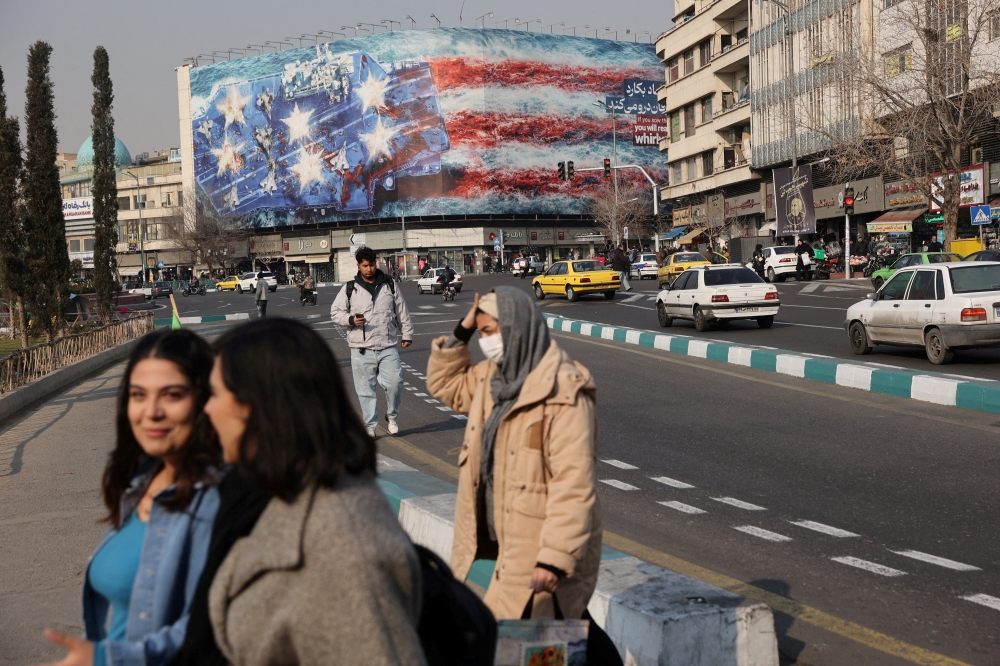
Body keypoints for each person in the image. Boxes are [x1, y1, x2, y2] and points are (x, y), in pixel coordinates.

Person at [205, 319, 426, 666]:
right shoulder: (276, 496)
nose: (206, 410)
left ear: (262, 406)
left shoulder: (344, 550)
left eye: (215, 395)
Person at [38, 330, 222, 666]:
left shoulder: (216, 500)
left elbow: (213, 626)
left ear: (204, 399)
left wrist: (107, 658)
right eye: (138, 395)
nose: (151, 411)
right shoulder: (139, 484)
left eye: (172, 395)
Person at [427, 288, 602, 621]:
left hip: (541, 553)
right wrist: (463, 330)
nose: (485, 341)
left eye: (490, 332)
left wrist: (553, 558)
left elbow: (574, 485)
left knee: (539, 641)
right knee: (546, 640)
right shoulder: (495, 378)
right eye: (481, 334)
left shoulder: (564, 393)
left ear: (516, 328)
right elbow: (445, 385)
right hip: (512, 544)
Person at [330, 246, 413, 437]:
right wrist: (350, 320)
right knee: (365, 391)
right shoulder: (350, 288)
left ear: (376, 263)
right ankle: (369, 426)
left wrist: (407, 334)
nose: (369, 269)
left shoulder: (389, 284)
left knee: (395, 383)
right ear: (358, 266)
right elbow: (335, 312)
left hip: (387, 345)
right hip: (361, 349)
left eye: (372, 265)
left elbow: (402, 311)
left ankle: (392, 416)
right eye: (365, 265)